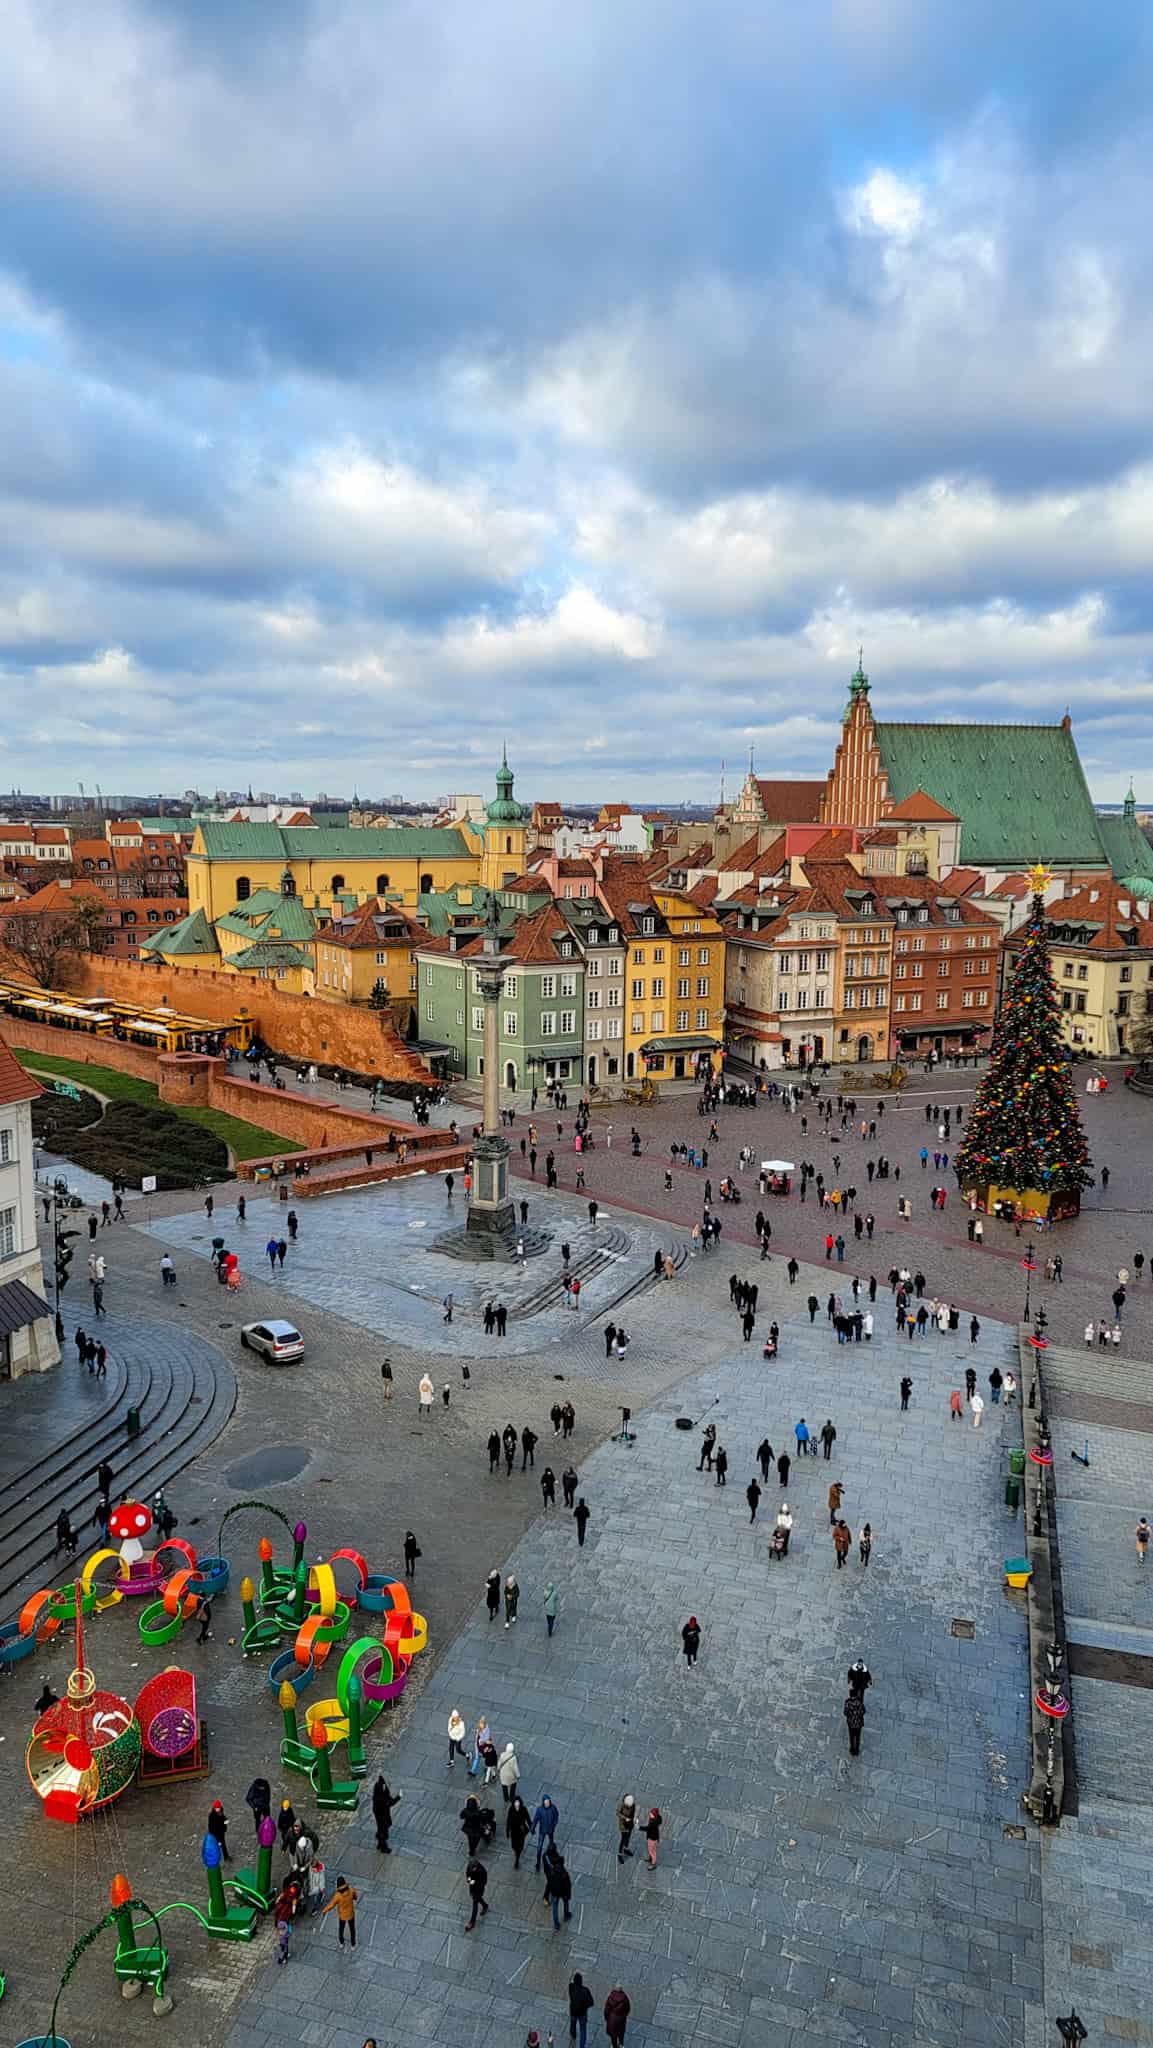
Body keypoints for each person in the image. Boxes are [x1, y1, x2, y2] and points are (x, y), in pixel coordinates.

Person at [322, 1876, 358, 1947]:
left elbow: (331, 1905)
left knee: (341, 1929)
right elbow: (355, 1896)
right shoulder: (351, 1890)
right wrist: (353, 1897)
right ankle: (353, 1944)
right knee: (352, 1929)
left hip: (342, 1916)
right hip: (351, 1914)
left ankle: (341, 1943)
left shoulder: (337, 1896)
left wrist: (324, 1910)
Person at [545, 1849, 573, 1928]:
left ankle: (556, 1923)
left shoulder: (552, 1873)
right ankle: (566, 1914)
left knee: (555, 1908)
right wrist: (568, 1894)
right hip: (563, 1892)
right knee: (566, 1902)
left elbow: (549, 1884)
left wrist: (548, 1893)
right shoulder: (564, 1875)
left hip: (554, 1893)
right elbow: (568, 1885)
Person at [372, 1777, 401, 1851]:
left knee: (383, 1825)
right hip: (381, 1813)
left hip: (381, 1811)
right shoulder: (379, 1798)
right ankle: (383, 1847)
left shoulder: (381, 1787)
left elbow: (387, 1795)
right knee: (383, 1828)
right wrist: (398, 1797)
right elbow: (389, 1803)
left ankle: (380, 1841)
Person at [532, 1794, 559, 1871]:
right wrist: (532, 1828)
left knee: (551, 1845)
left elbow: (556, 1816)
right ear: (543, 1802)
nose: (547, 1803)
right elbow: (535, 1819)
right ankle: (538, 1863)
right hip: (542, 1831)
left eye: (548, 1802)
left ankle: (552, 1860)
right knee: (539, 1847)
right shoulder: (540, 1810)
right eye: (546, 1802)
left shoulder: (553, 1808)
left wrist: (554, 1825)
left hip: (550, 1830)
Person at [568, 1972, 595, 2048]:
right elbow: (591, 2002)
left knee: (573, 2024)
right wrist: (584, 2006)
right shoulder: (585, 1990)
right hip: (582, 2013)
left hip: (573, 2012)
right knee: (583, 2030)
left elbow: (570, 1983)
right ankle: (581, 2046)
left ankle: (573, 2036)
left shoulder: (571, 1987)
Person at [507, 1793, 532, 1867]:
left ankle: (517, 1859)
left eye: (518, 1804)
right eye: (515, 1804)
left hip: (521, 1830)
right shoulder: (511, 1809)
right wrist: (507, 1831)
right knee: (514, 1846)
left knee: (520, 1846)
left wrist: (532, 1827)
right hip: (514, 1831)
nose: (517, 1806)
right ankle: (516, 1852)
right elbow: (508, 1820)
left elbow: (528, 1819)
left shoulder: (524, 1809)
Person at [844, 1690, 866, 1756]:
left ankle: (852, 1749)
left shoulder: (847, 1702)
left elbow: (845, 1712)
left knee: (851, 1736)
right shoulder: (860, 1702)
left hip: (851, 1723)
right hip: (858, 1723)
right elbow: (863, 1711)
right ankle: (857, 1749)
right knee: (857, 1736)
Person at [616, 1794, 637, 1862]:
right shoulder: (621, 1805)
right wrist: (625, 1818)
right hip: (623, 1825)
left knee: (628, 1837)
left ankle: (626, 1849)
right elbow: (618, 1813)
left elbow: (634, 1812)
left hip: (630, 1824)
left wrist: (635, 1819)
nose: (630, 1806)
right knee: (623, 1839)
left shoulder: (632, 1805)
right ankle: (619, 1854)